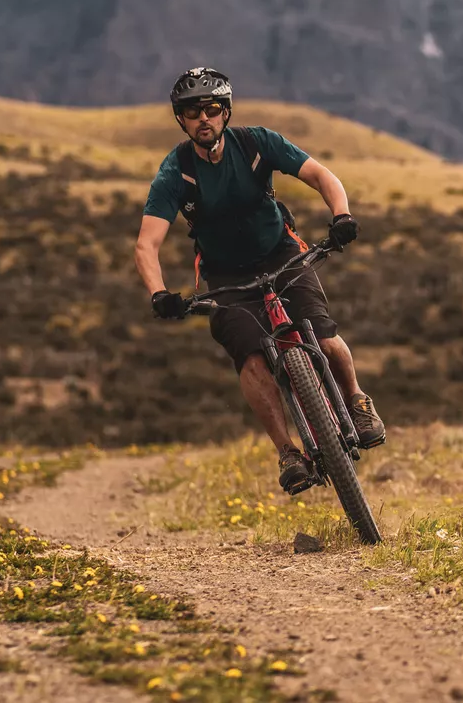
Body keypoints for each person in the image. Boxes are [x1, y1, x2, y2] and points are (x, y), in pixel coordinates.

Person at [134, 66, 386, 494]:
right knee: (250, 358)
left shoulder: (256, 143)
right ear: (181, 119)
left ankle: (358, 400)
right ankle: (288, 451)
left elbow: (322, 176)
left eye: (211, 109)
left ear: (225, 112)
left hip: (281, 252)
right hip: (224, 274)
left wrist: (341, 215)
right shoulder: (175, 171)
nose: (203, 119)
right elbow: (146, 245)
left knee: (323, 335)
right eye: (192, 112)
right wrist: (159, 294)